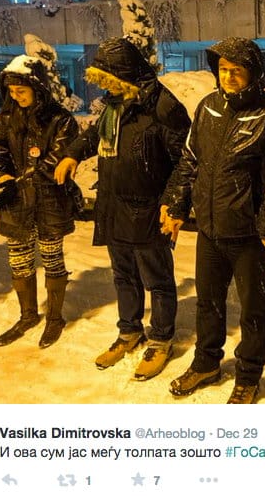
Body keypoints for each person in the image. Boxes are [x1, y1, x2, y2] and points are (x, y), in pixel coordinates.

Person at [162, 37, 265, 404]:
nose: (229, 76)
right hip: (209, 228)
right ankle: (206, 362)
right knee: (208, 302)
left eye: (237, 70)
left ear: (252, 73)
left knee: (253, 308)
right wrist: (176, 206)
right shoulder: (208, 107)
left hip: (250, 235)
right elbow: (190, 160)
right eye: (223, 70)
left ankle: (249, 374)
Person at [54, 37, 190, 380]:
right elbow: (93, 136)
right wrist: (72, 153)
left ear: (127, 75)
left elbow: (186, 162)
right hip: (113, 205)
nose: (105, 87)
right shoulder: (115, 106)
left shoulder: (163, 108)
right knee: (123, 275)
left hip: (148, 209)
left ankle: (160, 339)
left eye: (109, 80)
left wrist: (173, 203)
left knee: (157, 279)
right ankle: (129, 331)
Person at [0, 55, 80, 348]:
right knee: (19, 260)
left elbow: (58, 156)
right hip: (16, 201)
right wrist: (2, 178)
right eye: (12, 92)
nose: (16, 96)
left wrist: (25, 178)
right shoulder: (5, 117)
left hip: (50, 200)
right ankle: (28, 315)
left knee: (52, 258)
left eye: (21, 91)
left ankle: (54, 317)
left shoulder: (60, 118)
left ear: (37, 88)